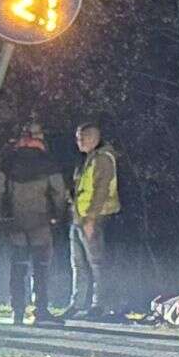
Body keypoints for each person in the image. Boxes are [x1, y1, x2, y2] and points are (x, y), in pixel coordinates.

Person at [0, 119, 68, 326]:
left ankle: (18, 311)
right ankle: (40, 309)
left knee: (18, 266)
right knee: (41, 268)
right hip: (41, 222)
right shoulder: (48, 162)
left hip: (16, 222)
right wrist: (59, 215)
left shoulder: (8, 161)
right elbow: (59, 192)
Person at [69, 120, 120, 318]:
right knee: (78, 263)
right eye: (77, 138)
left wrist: (90, 218)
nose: (78, 142)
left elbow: (101, 190)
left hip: (94, 218)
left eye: (82, 138)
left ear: (93, 138)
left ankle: (100, 304)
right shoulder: (88, 159)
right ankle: (77, 303)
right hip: (78, 218)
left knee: (97, 263)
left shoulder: (103, 159)